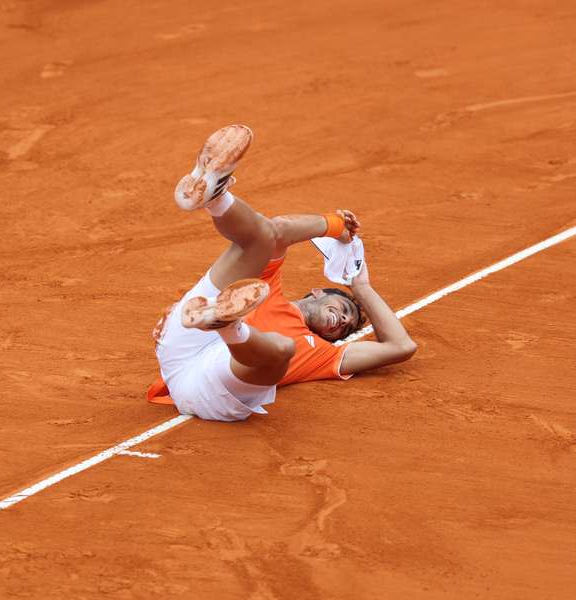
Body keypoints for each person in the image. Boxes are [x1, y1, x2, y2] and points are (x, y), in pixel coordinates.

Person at [148, 124, 417, 422]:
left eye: (345, 328)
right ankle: (215, 194)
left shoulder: (321, 354)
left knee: (283, 348)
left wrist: (361, 287)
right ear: (317, 291)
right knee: (262, 238)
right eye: (343, 309)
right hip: (184, 340)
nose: (342, 321)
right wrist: (336, 225)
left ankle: (225, 324)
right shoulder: (266, 286)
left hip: (210, 389)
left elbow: (401, 346)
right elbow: (279, 230)